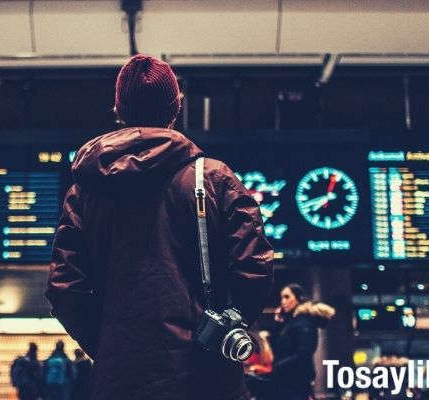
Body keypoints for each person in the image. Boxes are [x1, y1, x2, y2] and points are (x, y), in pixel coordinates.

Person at [45, 54, 274, 400]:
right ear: (175, 107)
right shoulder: (213, 178)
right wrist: (222, 328)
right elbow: (254, 267)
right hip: (207, 378)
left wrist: (110, 347)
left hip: (120, 383)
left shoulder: (86, 189)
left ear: (118, 108)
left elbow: (65, 288)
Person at [271, 283, 335, 400]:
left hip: (296, 381)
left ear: (298, 298)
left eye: (287, 297)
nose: (283, 301)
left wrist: (278, 367)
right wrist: (278, 324)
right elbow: (278, 347)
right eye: (281, 298)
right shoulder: (292, 322)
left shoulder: (303, 322)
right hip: (288, 380)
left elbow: (304, 353)